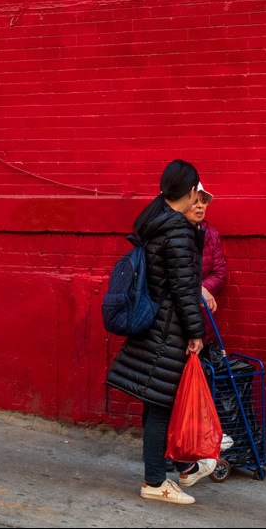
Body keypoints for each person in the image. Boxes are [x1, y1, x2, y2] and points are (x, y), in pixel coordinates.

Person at [106, 160, 214, 506]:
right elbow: (185, 289)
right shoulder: (178, 230)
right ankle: (155, 481)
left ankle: (181, 467)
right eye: (198, 189)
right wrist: (196, 333)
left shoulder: (158, 222)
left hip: (154, 324)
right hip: (168, 330)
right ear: (192, 189)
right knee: (160, 407)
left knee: (156, 404)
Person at [183, 185, 227, 349]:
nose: (201, 206)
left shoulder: (211, 235)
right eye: (195, 201)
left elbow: (219, 272)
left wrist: (202, 288)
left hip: (202, 318)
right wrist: (197, 289)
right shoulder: (172, 236)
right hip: (177, 319)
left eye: (203, 201)